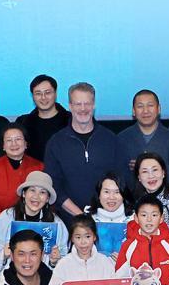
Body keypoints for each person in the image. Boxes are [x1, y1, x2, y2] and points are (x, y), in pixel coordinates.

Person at [43, 82, 124, 217]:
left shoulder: (111, 140)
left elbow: (122, 179)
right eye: (78, 104)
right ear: (70, 106)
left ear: (94, 105)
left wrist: (102, 215)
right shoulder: (56, 143)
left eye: (87, 103)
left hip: (107, 218)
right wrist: (80, 216)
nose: (83, 108)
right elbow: (53, 185)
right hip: (69, 219)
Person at [0, 171, 68, 278]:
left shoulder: (56, 224)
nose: (36, 196)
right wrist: (3, 255)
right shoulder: (7, 217)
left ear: (47, 198)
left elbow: (64, 259)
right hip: (7, 278)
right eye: (32, 190)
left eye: (42, 192)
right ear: (24, 194)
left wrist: (54, 262)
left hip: (42, 280)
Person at [117, 89, 169, 189]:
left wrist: (157, 168)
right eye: (140, 106)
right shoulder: (122, 139)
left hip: (166, 196)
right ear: (133, 111)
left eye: (150, 105)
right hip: (132, 197)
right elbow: (116, 174)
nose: (145, 111)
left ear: (158, 109)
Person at [0, 123, 44, 213]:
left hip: (33, 217)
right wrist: (2, 219)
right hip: (1, 218)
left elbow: (45, 197)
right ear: (3, 146)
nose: (14, 144)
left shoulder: (39, 167)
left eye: (18, 139)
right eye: (9, 140)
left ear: (26, 144)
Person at [16, 74, 71, 162]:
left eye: (48, 92)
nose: (43, 97)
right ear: (33, 96)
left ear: (55, 94)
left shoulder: (71, 120)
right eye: (38, 93)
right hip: (33, 170)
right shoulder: (23, 123)